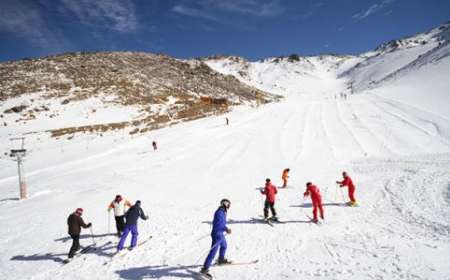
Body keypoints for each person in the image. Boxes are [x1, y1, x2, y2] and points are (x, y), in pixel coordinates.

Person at [200, 199, 232, 277]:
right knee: (213, 251)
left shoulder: (222, 212)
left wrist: (225, 229)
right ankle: (205, 268)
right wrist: (226, 229)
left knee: (224, 246)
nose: (229, 207)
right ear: (225, 204)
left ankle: (221, 259)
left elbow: (221, 223)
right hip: (217, 234)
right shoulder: (219, 213)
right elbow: (219, 224)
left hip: (220, 233)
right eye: (228, 205)